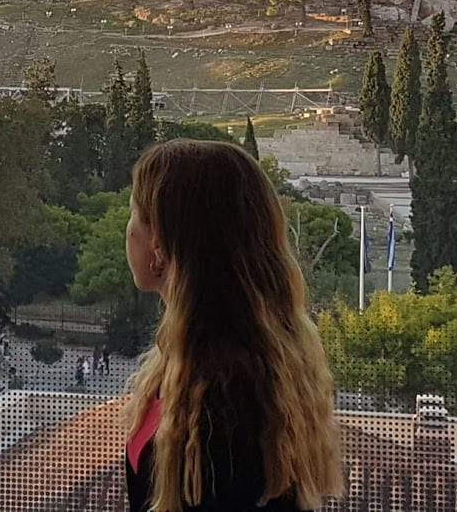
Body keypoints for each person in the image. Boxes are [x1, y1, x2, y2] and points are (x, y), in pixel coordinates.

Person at [123, 140, 342, 512]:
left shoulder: (224, 405)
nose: (128, 230)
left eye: (133, 214)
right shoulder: (203, 368)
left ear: (159, 242)